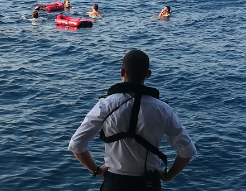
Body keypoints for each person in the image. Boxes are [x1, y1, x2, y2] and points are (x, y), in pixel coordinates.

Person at [68, 50, 197, 191]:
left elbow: (76, 144)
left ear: (122, 72)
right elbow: (188, 149)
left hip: (114, 183)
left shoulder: (105, 105)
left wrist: (96, 170)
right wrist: (168, 176)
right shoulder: (162, 109)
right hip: (149, 184)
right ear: (148, 74)